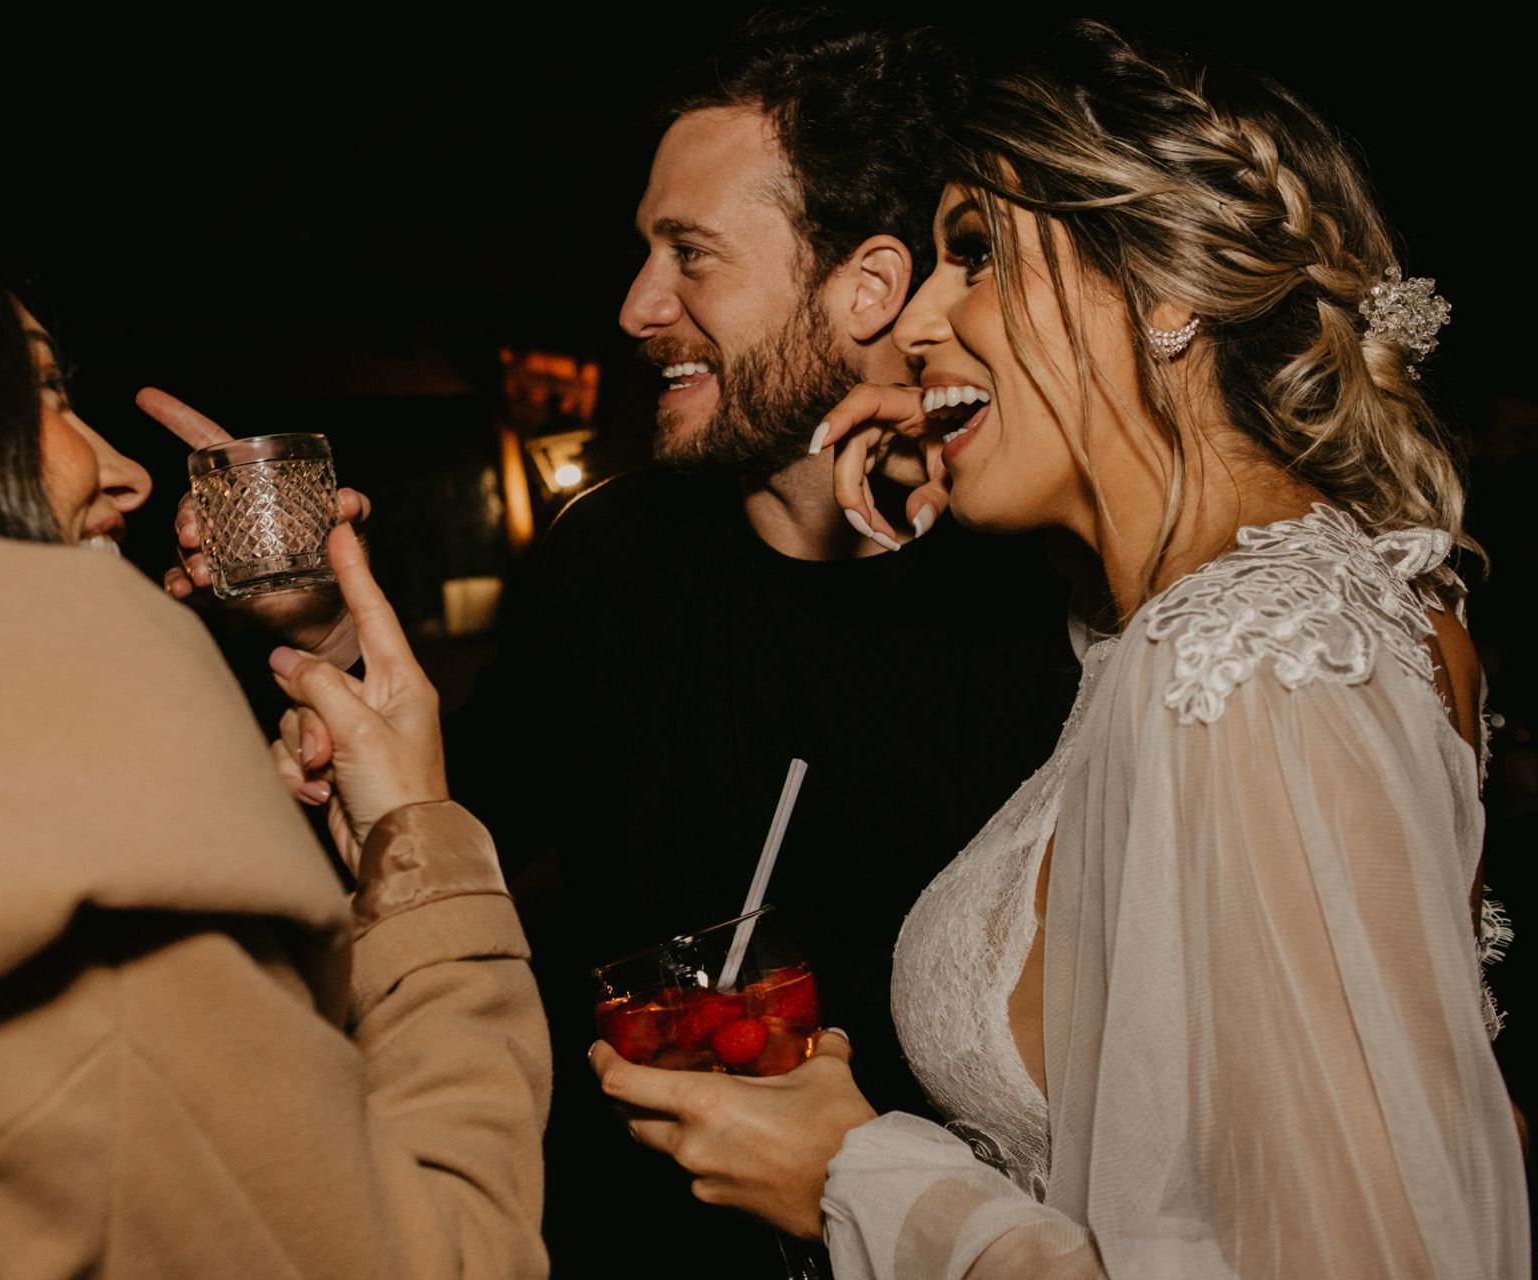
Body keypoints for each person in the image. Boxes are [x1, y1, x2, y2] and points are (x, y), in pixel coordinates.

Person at [594, 22, 1530, 1277]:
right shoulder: (1265, 616)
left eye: (974, 252)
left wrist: (857, 1181)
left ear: (1171, 283)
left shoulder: (1242, 668)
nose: (921, 318)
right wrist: (996, 462)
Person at [0, 202, 550, 1278]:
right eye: (40, 388)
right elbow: (443, 1254)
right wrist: (419, 840)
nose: (124, 470)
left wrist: (309, 662)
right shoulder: (98, 942)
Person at [439, 13, 1083, 1274]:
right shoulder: (600, 558)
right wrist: (337, 654)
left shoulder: (1039, 594)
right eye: (643, 252)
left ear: (870, 287)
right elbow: (464, 831)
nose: (635, 306)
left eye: (693, 254)